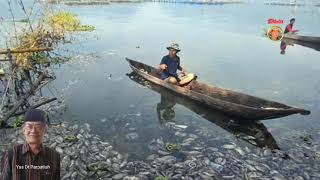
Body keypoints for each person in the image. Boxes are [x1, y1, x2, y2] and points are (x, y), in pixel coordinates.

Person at [0, 109, 60, 180]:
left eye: (38, 126)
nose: (33, 130)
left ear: (45, 129)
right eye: (29, 126)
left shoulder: (54, 156)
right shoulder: (11, 154)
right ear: (23, 129)